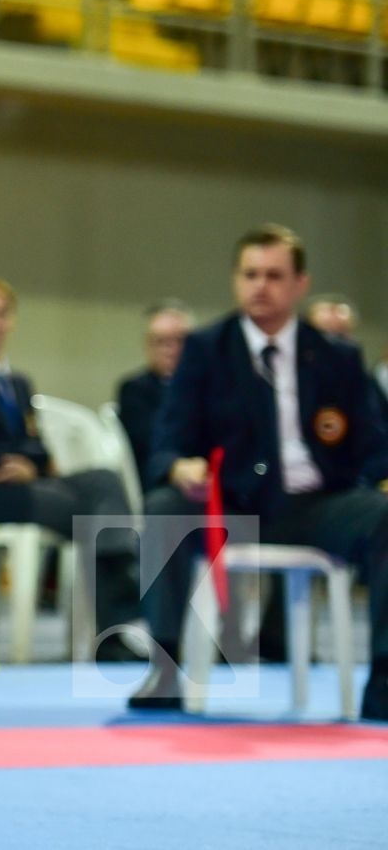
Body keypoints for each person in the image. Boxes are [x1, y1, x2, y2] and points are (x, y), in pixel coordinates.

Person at [131, 225, 388, 720]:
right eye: (250, 274)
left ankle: (384, 676)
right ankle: (163, 666)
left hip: (315, 505)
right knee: (164, 505)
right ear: (235, 280)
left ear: (300, 284)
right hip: (231, 503)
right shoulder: (206, 349)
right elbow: (168, 438)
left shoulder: (337, 357)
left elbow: (374, 442)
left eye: (274, 275)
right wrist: (180, 465)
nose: (260, 286)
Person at [0, 277, 143, 659]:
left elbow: (39, 447)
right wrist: (16, 461)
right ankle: (122, 600)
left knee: (103, 481)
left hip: (31, 483)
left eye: (1, 314)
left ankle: (120, 581)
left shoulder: (17, 382)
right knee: (82, 510)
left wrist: (30, 463)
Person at [114, 301, 193, 476]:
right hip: (160, 476)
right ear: (147, 344)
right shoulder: (134, 390)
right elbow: (151, 440)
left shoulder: (209, 386)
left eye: (179, 340)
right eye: (161, 341)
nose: (171, 349)